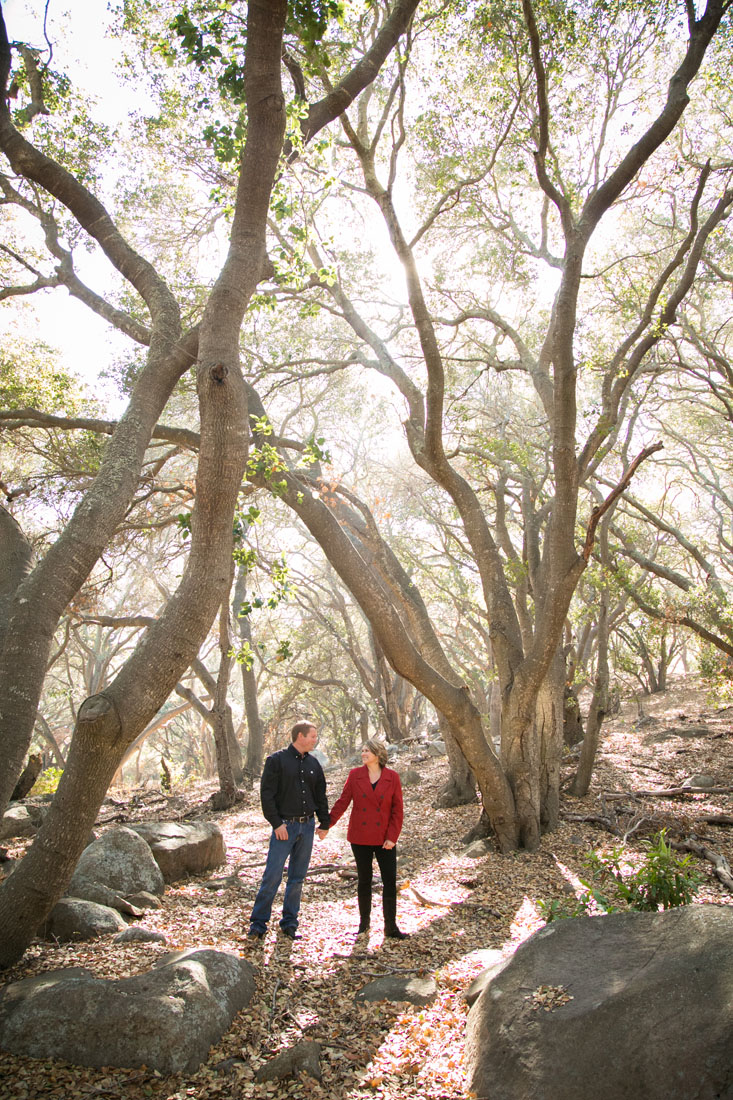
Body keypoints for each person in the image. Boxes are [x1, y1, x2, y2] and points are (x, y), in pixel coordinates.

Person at [247, 720, 330, 941]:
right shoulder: (276, 761)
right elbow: (267, 795)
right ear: (300, 736)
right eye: (312, 736)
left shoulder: (314, 763)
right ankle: (258, 924)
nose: (315, 739)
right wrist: (277, 824)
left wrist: (324, 822)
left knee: (297, 877)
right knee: (272, 876)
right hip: (284, 827)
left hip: (308, 826)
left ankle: (290, 923)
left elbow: (320, 795)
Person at [326, 738, 408, 940]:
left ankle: (391, 927)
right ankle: (364, 925)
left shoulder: (392, 777)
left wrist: (392, 837)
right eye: (362, 750)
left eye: (367, 751)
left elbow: (397, 810)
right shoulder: (355, 775)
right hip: (360, 837)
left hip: (385, 839)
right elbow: (343, 802)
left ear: (378, 754)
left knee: (389, 880)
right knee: (364, 880)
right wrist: (327, 824)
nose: (363, 754)